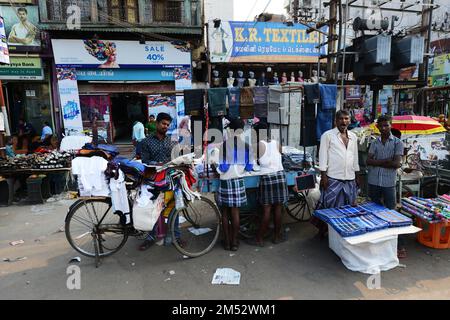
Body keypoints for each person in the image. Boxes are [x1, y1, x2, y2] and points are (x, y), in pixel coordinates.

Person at [313, 110, 361, 237]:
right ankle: (322, 230)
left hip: (349, 178)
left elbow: (355, 157)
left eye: (346, 119)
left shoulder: (353, 136)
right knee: (328, 207)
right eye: (341, 119)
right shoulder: (328, 135)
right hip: (333, 178)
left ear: (349, 121)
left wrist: (356, 175)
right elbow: (322, 156)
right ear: (336, 120)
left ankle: (341, 233)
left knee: (347, 208)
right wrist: (323, 176)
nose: (343, 121)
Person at [139, 113, 180, 251]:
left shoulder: (172, 141)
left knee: (174, 207)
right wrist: (158, 164)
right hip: (153, 180)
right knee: (153, 210)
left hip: (170, 179)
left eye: (168, 125)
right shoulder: (146, 141)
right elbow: (144, 161)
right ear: (157, 123)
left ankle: (176, 236)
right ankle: (151, 237)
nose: (165, 127)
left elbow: (176, 158)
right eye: (163, 123)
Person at [367, 115, 405, 257]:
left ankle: (399, 245)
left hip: (389, 184)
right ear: (377, 127)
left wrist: (379, 161)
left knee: (392, 213)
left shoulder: (397, 143)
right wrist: (387, 160)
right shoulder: (375, 142)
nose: (383, 128)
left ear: (391, 126)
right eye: (381, 126)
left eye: (386, 126)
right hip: (374, 182)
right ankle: (378, 242)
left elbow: (396, 164)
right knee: (374, 212)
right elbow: (368, 161)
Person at [247, 121, 288, 247]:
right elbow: (280, 157)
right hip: (280, 176)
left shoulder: (257, 145)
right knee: (278, 208)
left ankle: (259, 238)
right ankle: (276, 236)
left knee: (266, 210)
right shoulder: (277, 143)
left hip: (267, 177)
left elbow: (252, 164)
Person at [215, 118, 253, 251]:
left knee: (225, 212)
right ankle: (235, 242)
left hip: (226, 181)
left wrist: (217, 169)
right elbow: (249, 167)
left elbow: (223, 167)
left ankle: (226, 242)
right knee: (236, 212)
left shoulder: (225, 145)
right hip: (239, 181)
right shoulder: (247, 146)